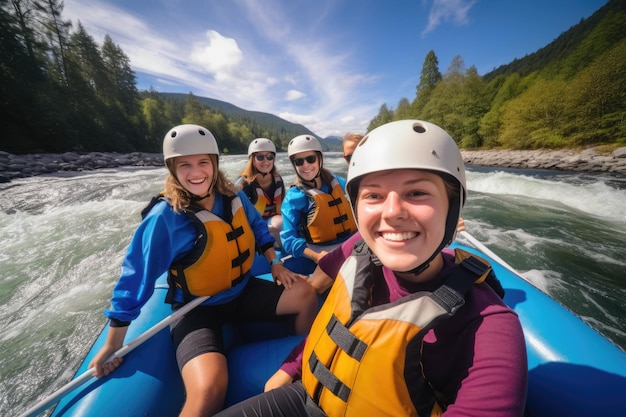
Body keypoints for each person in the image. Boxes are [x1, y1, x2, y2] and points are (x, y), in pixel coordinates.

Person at [215, 120, 528, 416]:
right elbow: (332, 324)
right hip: (304, 395)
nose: (391, 212)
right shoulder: (357, 250)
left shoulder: (491, 328)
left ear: (452, 206)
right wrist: (290, 368)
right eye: (373, 195)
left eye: (417, 193)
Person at [89, 124, 319, 417]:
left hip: (241, 290)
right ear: (172, 169)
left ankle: (297, 355)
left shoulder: (233, 197)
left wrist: (274, 262)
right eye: (184, 165)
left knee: (306, 294)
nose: (196, 172)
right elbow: (135, 277)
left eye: (203, 163)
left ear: (214, 164)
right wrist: (113, 343)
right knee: (209, 389)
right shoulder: (165, 217)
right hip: (197, 308)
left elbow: (259, 229)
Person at [279, 134, 357, 274]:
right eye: (299, 162)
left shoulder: (337, 182)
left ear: (319, 159)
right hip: (322, 253)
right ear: (294, 165)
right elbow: (289, 240)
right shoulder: (293, 197)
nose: (306, 165)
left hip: (354, 244)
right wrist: (317, 257)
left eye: (310, 159)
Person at [235, 138, 285, 247]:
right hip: (253, 226)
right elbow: (236, 217)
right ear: (253, 160)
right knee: (280, 224)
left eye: (270, 157)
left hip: (273, 221)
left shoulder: (278, 180)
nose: (266, 161)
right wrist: (261, 227)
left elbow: (284, 206)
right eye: (260, 157)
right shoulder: (243, 185)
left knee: (284, 223)